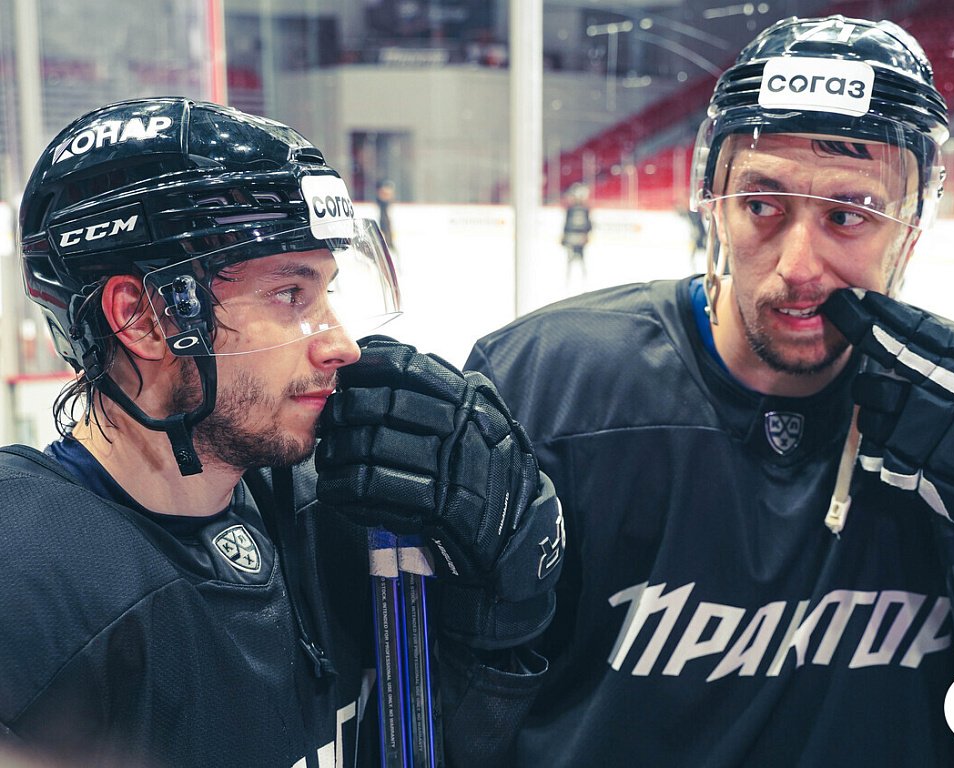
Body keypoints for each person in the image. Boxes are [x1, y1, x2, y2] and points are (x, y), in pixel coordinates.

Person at [466, 16, 954, 767]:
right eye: (763, 205)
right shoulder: (550, 384)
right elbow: (456, 699)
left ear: (912, 226)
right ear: (713, 204)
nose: (798, 265)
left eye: (848, 215)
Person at [0, 98, 564, 767]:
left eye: (326, 292)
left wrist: (495, 617)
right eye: (290, 294)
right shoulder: (29, 585)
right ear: (144, 318)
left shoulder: (343, 510)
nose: (342, 345)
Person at [560, 183, 592, 284]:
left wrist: (564, 237)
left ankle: (580, 278)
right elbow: (589, 225)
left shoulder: (572, 209)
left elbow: (566, 224)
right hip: (578, 237)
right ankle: (576, 277)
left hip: (574, 237)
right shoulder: (584, 209)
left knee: (574, 258)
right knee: (578, 258)